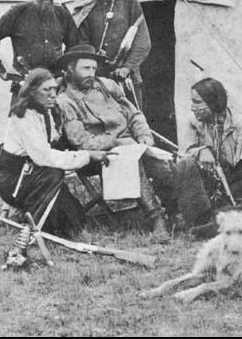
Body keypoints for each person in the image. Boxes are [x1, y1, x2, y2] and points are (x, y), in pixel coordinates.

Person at [56, 43, 171, 243]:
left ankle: (175, 209)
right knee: (133, 162)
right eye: (85, 68)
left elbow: (133, 113)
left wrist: (144, 136)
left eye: (93, 68)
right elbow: (81, 142)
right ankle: (157, 218)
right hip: (98, 155)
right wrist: (116, 142)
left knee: (161, 164)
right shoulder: (65, 101)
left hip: (131, 144)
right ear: (70, 70)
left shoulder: (107, 85)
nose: (91, 73)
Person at [0, 68, 109, 266]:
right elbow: (44, 157)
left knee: (75, 222)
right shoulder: (22, 116)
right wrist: (87, 156)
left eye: (55, 89)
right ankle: (29, 231)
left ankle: (32, 218)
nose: (53, 95)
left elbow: (54, 143)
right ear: (31, 91)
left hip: (35, 176)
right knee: (54, 172)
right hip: (14, 181)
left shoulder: (46, 112)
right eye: (46, 90)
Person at [174, 77, 242, 237]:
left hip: (241, 192)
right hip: (209, 190)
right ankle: (211, 221)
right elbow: (183, 153)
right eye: (192, 102)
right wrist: (201, 151)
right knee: (185, 165)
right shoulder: (195, 123)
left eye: (197, 102)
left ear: (213, 102)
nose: (192, 108)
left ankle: (217, 222)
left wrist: (225, 201)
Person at [0, 0, 79, 104]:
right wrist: (2, 71)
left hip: (55, 87)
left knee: (56, 124)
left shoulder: (62, 14)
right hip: (25, 87)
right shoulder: (17, 12)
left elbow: (74, 46)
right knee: (23, 123)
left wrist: (64, 74)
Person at [68, 0, 151, 109]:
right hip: (96, 77)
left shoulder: (130, 3)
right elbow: (82, 43)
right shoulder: (87, 6)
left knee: (132, 120)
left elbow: (142, 40)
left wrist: (127, 67)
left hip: (126, 78)